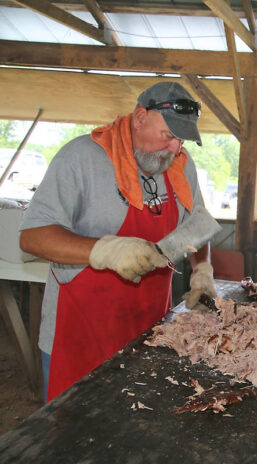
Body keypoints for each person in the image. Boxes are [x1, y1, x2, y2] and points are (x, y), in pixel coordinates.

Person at [19, 82, 217, 403]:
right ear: (140, 117)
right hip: (81, 333)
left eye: (181, 140)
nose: (174, 148)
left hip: (150, 330)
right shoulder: (81, 158)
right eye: (168, 136)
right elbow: (33, 236)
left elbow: (195, 227)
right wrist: (103, 250)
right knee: (71, 440)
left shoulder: (180, 164)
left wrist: (202, 268)